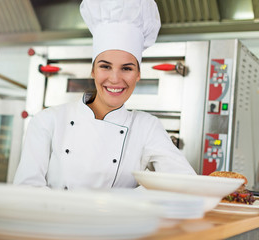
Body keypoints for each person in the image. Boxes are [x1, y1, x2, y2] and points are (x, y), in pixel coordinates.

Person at [14, 0, 195, 189]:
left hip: (118, 219)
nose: (115, 79)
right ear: (93, 71)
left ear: (138, 74)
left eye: (127, 68)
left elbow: (187, 184)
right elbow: (26, 191)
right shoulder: (47, 121)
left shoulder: (146, 127)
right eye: (105, 66)